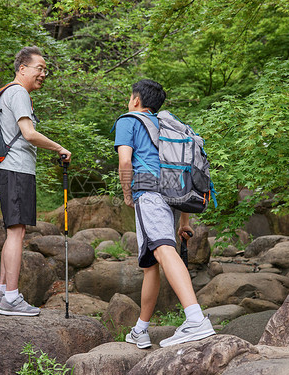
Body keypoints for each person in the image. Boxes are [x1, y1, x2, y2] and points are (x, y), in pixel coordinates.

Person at [113, 79, 215, 347]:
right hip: (171, 193)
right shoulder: (165, 125)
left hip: (147, 191)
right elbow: (177, 168)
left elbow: (125, 161)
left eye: (130, 96)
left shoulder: (128, 120)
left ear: (136, 100)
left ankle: (195, 319)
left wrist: (127, 194)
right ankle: (141, 329)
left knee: (162, 251)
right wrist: (185, 220)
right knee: (151, 263)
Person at [0, 46, 71, 316]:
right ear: (22, 69)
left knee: (13, 229)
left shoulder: (6, 93)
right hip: (16, 168)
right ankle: (11, 298)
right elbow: (28, 133)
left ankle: (2, 291)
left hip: (8, 168)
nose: (43, 74)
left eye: (45, 69)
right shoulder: (19, 92)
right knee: (17, 231)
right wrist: (59, 147)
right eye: (40, 68)